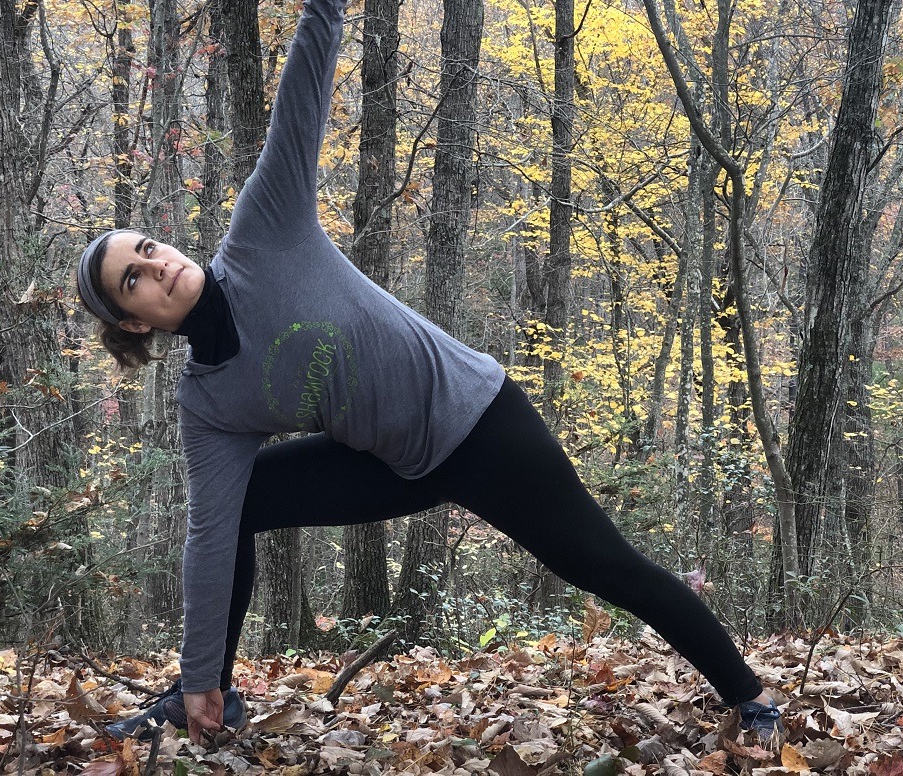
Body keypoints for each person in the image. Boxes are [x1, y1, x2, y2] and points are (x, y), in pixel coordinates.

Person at [77, 0, 782, 745]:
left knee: (605, 566)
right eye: (133, 279)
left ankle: (751, 695)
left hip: (483, 424)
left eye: (148, 248)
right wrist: (196, 673)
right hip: (398, 466)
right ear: (133, 322)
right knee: (239, 504)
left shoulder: (263, 234)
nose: (157, 266)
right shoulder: (209, 403)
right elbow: (210, 535)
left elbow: (302, 93)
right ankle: (206, 697)